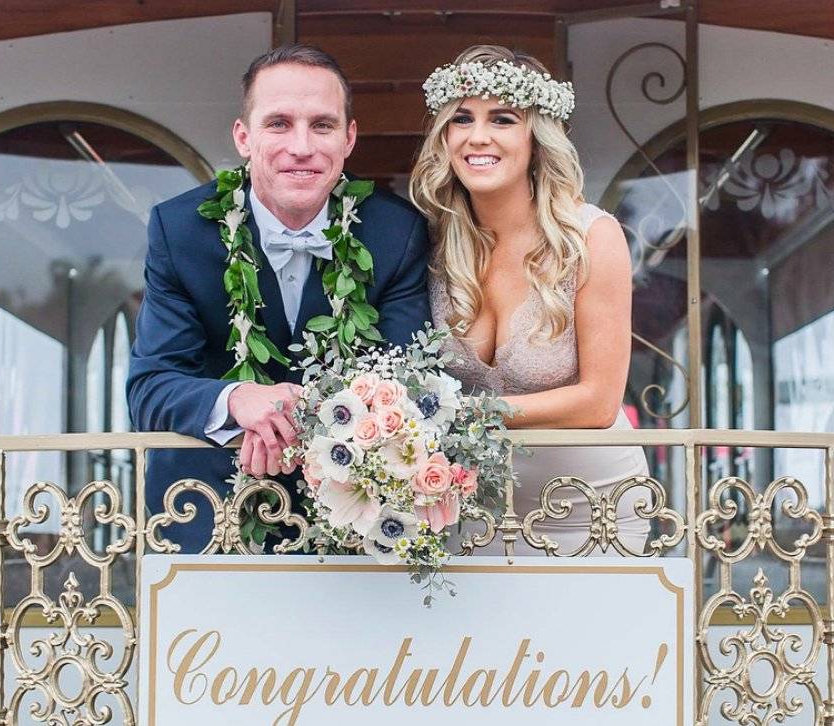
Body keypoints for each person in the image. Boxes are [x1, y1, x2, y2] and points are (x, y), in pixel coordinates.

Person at [128, 44, 430, 553]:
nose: (301, 146)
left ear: (349, 138)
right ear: (243, 137)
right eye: (279, 124)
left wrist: (295, 416)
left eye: (322, 125)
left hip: (351, 527)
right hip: (206, 518)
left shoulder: (396, 233)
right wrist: (237, 400)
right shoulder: (179, 230)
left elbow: (404, 385)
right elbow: (150, 388)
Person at [410, 45, 651, 555]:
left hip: (593, 509)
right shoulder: (430, 244)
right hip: (472, 511)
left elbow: (599, 402)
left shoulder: (590, 238)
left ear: (537, 138)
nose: (478, 136)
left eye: (502, 119)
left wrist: (464, 415)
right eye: (462, 119)